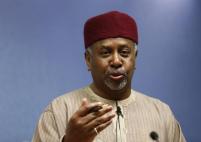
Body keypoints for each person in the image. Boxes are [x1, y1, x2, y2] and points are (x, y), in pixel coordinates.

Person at [32, 11, 186, 142]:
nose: (116, 61)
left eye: (124, 52)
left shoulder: (161, 113)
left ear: (135, 57)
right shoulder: (59, 111)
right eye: (105, 53)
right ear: (88, 60)